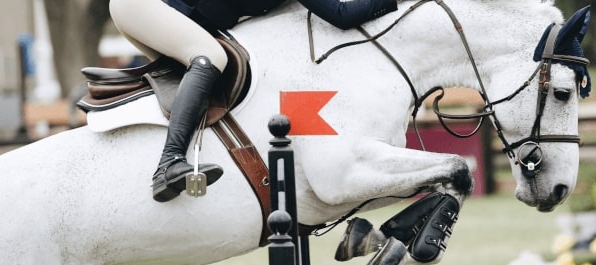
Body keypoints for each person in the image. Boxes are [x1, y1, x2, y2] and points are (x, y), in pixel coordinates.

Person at [109, 0, 400, 202]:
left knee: (215, 70)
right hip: (142, 6)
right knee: (211, 58)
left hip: (167, 14)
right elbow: (342, 14)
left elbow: (337, 12)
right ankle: (169, 162)